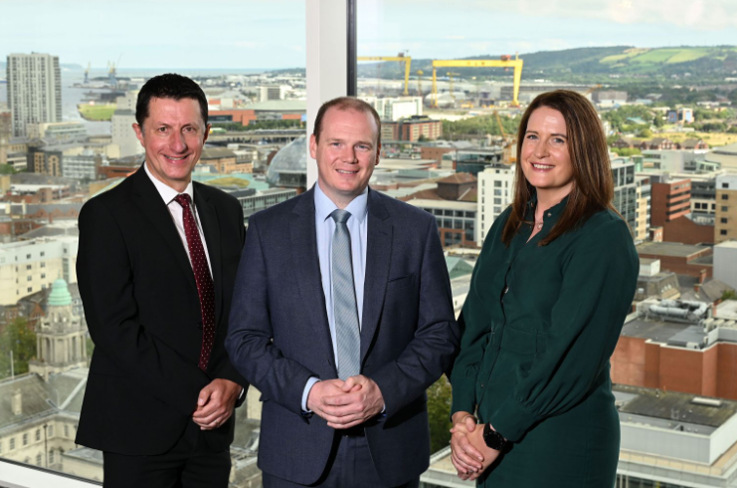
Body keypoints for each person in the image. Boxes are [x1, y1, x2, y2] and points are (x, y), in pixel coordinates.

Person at [226, 96, 459, 488]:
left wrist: (384, 391)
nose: (348, 157)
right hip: (296, 448)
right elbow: (244, 339)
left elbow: (439, 334)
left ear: (378, 153)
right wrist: (309, 391)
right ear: (314, 146)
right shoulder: (268, 231)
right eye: (336, 143)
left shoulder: (414, 230)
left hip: (389, 447)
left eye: (361, 146)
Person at [448, 89, 638, 487]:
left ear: (583, 150)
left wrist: (497, 433)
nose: (540, 151)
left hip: (558, 442)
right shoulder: (508, 224)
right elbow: (475, 326)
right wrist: (463, 414)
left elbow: (570, 358)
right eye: (532, 137)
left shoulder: (603, 237)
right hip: (488, 434)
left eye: (559, 139)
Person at [75, 73, 247, 488]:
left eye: (189, 129)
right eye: (163, 130)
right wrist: (202, 393)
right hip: (139, 430)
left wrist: (232, 381)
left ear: (205, 133)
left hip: (211, 434)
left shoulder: (225, 210)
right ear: (139, 133)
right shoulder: (106, 216)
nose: (178, 144)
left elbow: (242, 309)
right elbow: (114, 329)